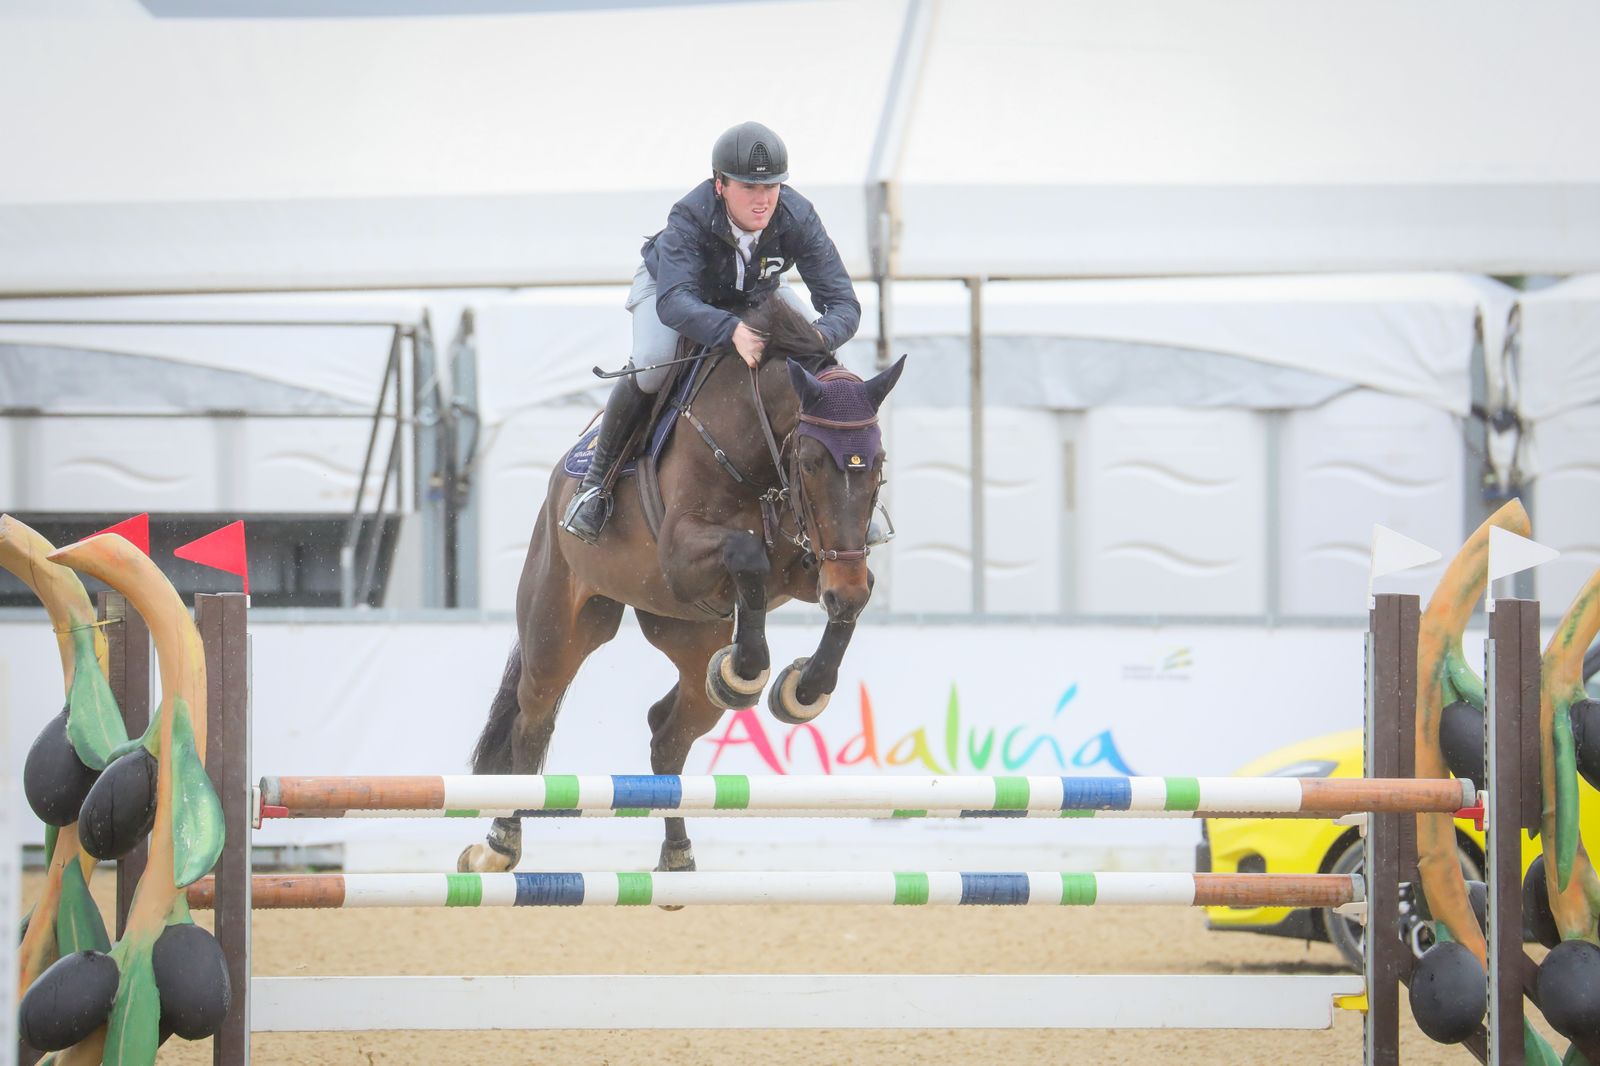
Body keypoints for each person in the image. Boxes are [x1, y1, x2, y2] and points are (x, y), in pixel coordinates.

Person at [560, 120, 862, 544]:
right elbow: (675, 301)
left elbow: (845, 305)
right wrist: (730, 330)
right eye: (748, 188)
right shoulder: (691, 214)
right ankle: (596, 485)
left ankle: (843, 495)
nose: (762, 201)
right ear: (719, 184)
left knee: (827, 368)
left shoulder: (798, 215)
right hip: (671, 288)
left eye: (771, 188)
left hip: (757, 291)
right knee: (650, 365)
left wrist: (818, 340)